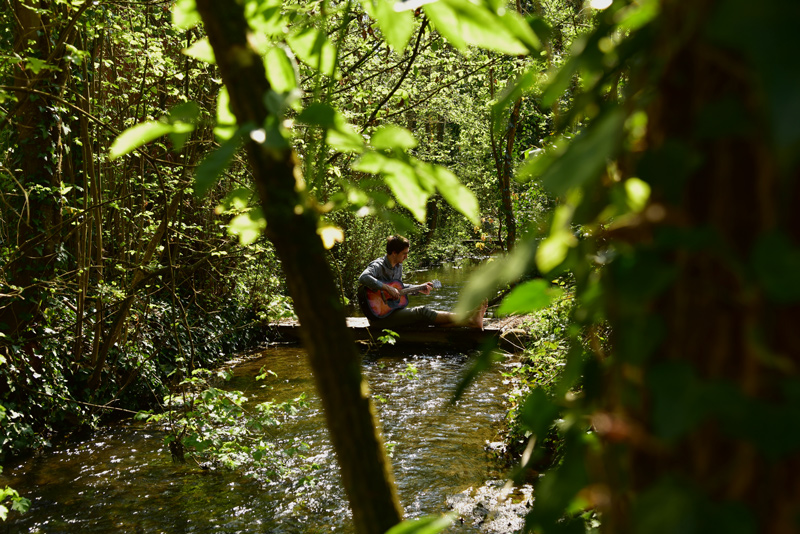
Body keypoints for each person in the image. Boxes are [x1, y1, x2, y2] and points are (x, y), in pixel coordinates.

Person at [357, 235, 487, 329]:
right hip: (379, 318)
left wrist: (418, 288)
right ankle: (467, 316)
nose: (406, 257)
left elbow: (398, 289)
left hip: (392, 311)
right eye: (404, 253)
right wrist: (386, 288)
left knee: (423, 321)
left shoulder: (398, 266)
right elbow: (363, 277)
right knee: (422, 311)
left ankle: (470, 321)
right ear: (394, 253)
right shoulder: (378, 265)